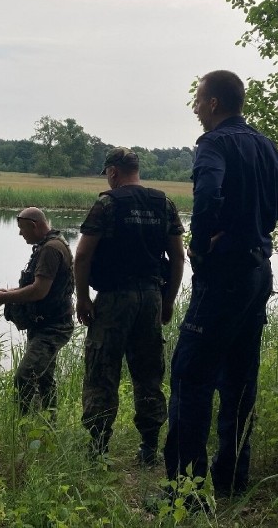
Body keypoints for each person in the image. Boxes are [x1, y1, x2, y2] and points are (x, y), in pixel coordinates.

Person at [162, 70, 278, 498]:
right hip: (258, 272)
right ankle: (231, 482)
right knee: (241, 378)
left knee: (190, 376)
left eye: (197, 99)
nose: (193, 108)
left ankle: (185, 494)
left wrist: (204, 247)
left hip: (224, 275)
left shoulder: (214, 143)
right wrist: (256, 225)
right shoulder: (263, 142)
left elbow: (207, 195)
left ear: (213, 104)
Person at [75, 147, 185, 463]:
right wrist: (168, 300)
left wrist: (82, 298)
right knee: (149, 372)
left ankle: (97, 449)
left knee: (101, 371)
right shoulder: (164, 204)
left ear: (113, 172)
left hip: (113, 299)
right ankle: (149, 448)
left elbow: (82, 256)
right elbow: (178, 257)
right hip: (151, 297)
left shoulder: (107, 204)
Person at [0, 207, 74, 417]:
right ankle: (50, 423)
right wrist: (12, 291)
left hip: (53, 327)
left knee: (24, 377)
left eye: (21, 228)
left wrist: (3, 298)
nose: (20, 233)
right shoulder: (50, 245)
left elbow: (39, 291)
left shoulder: (51, 249)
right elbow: (41, 285)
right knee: (44, 378)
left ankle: (22, 425)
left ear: (34, 225)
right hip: (45, 324)